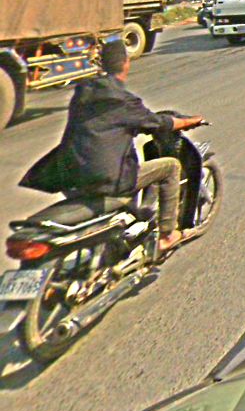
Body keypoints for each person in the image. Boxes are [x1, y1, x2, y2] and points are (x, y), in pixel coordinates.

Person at [20, 40, 203, 252]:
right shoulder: (124, 101)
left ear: (102, 64)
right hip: (107, 180)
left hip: (71, 175)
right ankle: (167, 235)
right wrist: (187, 121)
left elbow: (106, 124)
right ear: (126, 63)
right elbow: (159, 123)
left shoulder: (82, 94)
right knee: (171, 166)